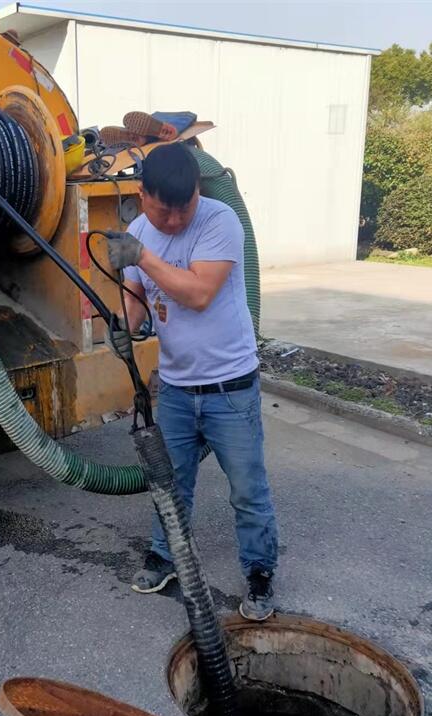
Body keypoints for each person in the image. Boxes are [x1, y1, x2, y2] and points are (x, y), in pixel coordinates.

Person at [105, 142, 279, 621]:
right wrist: (127, 326)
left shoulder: (220, 220)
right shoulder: (140, 230)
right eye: (165, 212)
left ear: (197, 193)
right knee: (171, 481)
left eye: (185, 209)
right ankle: (167, 555)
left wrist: (143, 254)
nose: (176, 222)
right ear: (143, 196)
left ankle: (260, 572)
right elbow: (136, 297)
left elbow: (199, 293)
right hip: (178, 388)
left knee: (247, 487)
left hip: (231, 387)